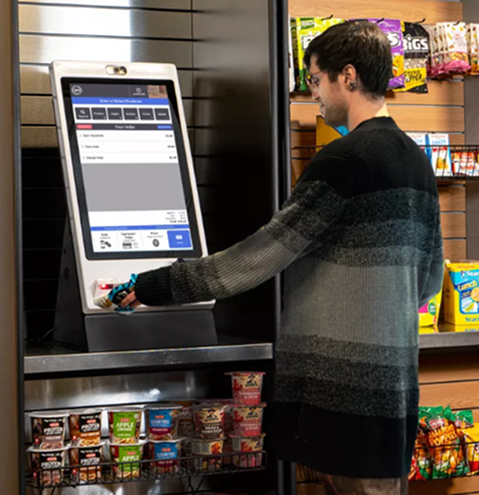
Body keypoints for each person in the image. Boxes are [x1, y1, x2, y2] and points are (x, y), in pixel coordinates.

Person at [119, 20, 443, 495]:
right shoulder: (414, 157)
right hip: (393, 393)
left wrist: (157, 285)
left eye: (315, 80)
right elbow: (430, 280)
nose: (315, 95)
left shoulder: (345, 160)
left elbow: (259, 257)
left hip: (340, 394)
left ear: (347, 76)